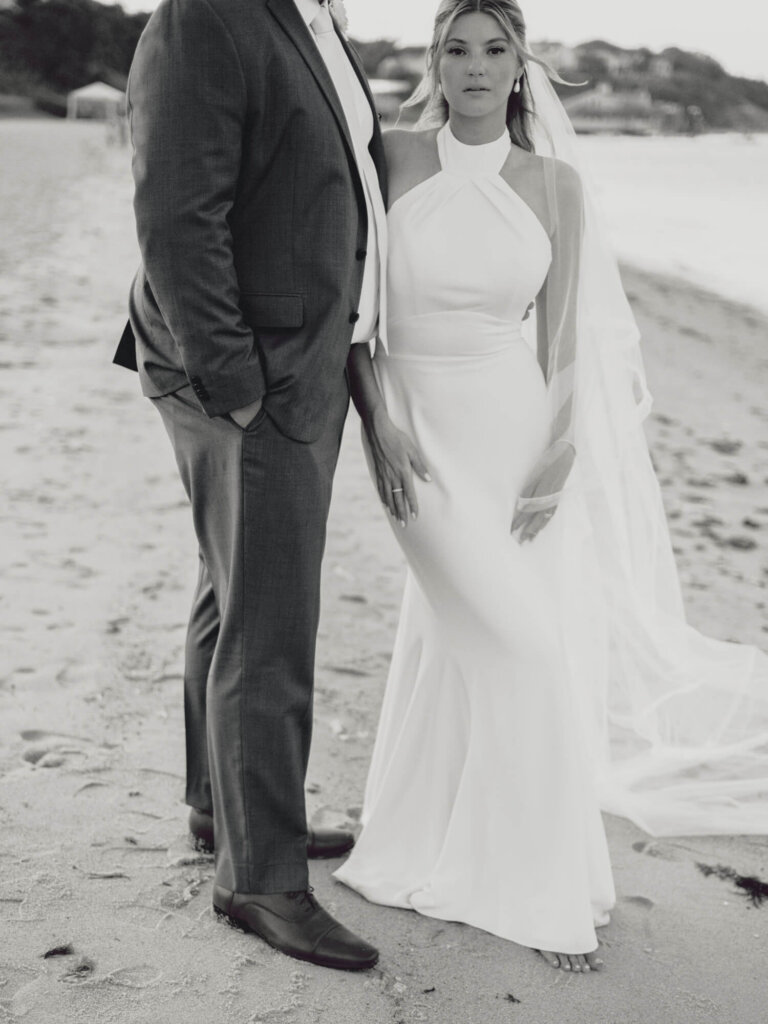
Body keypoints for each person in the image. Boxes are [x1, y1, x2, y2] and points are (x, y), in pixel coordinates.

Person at [332, 0, 768, 974]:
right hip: (423, 436)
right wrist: (378, 423)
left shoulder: (557, 183)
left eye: (495, 49)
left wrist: (562, 446)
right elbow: (353, 316)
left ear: (523, 64)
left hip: (520, 434)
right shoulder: (392, 159)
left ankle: (452, 835)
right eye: (457, 48)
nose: (476, 66)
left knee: (485, 643)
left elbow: (561, 344)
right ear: (434, 61)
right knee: (519, 650)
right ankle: (536, 887)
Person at [113, 0, 388, 971]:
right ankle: (261, 879)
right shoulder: (207, 17)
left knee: (230, 592)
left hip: (293, 360)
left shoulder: (308, 18)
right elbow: (175, 216)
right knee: (271, 624)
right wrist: (234, 384)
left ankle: (218, 808)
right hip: (247, 373)